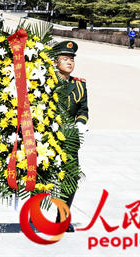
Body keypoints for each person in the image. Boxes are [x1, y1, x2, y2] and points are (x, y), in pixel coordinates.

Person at [53, 40, 89, 232]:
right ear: (56, 62)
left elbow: (83, 109)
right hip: (48, 137)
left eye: (72, 59)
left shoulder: (79, 85)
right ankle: (34, 215)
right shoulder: (46, 82)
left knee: (70, 178)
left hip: (70, 137)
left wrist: (81, 123)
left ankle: (62, 218)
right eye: (65, 59)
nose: (69, 63)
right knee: (41, 178)